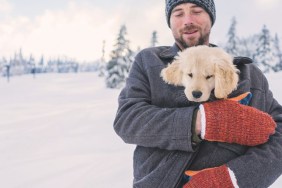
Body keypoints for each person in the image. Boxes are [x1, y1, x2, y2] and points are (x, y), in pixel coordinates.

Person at [113, 0, 282, 187]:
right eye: (178, 14)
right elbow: (127, 120)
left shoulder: (248, 74)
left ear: (210, 17)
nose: (188, 20)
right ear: (170, 22)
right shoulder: (149, 62)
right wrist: (199, 121)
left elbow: (280, 134)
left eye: (196, 11)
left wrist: (234, 178)